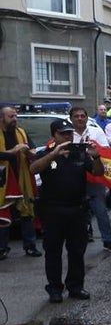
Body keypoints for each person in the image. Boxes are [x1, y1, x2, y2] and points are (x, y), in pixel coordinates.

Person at [28, 120, 103, 301]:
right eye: (63, 133)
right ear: (54, 135)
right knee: (53, 251)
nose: (68, 137)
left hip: (77, 209)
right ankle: (54, 288)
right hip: (53, 210)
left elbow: (99, 173)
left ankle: (76, 287)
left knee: (77, 251)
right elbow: (33, 169)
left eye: (69, 133)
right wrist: (53, 154)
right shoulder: (47, 154)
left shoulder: (80, 154)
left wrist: (97, 157)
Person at [69, 106, 111, 251]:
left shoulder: (95, 131)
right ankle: (81, 237)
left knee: (100, 210)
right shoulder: (67, 134)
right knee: (78, 211)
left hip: (94, 176)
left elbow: (106, 151)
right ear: (71, 119)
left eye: (82, 115)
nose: (80, 118)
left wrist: (94, 153)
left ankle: (108, 240)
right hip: (75, 178)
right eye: (76, 116)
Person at [1, 106, 41, 259]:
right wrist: (14, 151)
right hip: (3, 181)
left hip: (21, 178)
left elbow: (33, 152)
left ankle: (30, 246)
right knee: (2, 213)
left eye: (15, 116)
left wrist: (30, 153)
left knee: (27, 211)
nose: (15, 119)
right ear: (2, 118)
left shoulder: (21, 132)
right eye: (11, 116)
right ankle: (2, 248)